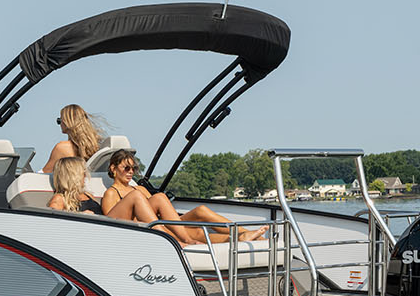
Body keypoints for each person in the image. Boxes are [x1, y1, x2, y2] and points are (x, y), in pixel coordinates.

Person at [100, 149, 265, 244]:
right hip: (146, 230)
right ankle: (185, 241)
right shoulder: (111, 193)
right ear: (113, 168)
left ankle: (243, 234)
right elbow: (110, 226)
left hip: (164, 225)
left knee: (201, 211)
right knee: (195, 232)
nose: (131, 172)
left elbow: (160, 212)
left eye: (134, 169)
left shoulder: (140, 189)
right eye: (126, 168)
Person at [48, 157, 177, 231]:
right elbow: (52, 225)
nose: (85, 176)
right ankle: (167, 239)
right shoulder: (59, 199)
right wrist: (80, 216)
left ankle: (179, 239)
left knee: (159, 197)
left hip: (106, 226)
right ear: (73, 176)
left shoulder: (88, 195)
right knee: (136, 196)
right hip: (100, 232)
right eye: (82, 173)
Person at [41, 104, 104, 173]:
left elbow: (45, 173)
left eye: (59, 120)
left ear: (67, 121)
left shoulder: (62, 148)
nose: (60, 124)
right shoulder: (96, 147)